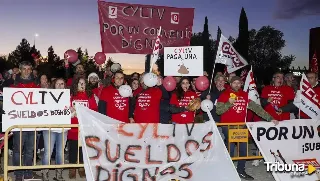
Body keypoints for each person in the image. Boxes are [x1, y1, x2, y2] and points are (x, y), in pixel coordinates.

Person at [216, 76, 278, 180]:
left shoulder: (244, 95)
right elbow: (218, 111)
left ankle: (241, 171)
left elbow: (257, 108)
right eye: (234, 83)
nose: (236, 84)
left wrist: (270, 118)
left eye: (238, 83)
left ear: (241, 84)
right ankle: (228, 172)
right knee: (230, 150)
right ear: (230, 84)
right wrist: (228, 103)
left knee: (243, 151)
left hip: (241, 127)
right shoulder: (224, 94)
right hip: (228, 127)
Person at [11, 61, 42, 181]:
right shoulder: (14, 86)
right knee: (18, 150)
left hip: (32, 123)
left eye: (29, 69)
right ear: (20, 70)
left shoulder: (36, 86)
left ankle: (28, 173)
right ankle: (18, 174)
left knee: (30, 149)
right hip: (19, 124)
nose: (27, 71)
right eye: (24, 69)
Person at [68, 77, 97, 179]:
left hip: (85, 128)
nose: (82, 85)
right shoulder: (71, 96)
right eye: (80, 83)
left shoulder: (90, 95)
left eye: (84, 83)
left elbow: (94, 109)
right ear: (76, 85)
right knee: (73, 149)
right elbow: (66, 108)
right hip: (73, 127)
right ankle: (72, 168)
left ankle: (81, 168)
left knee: (83, 149)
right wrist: (70, 110)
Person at [41, 78, 68, 181]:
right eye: (58, 84)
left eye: (62, 84)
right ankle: (44, 173)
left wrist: (72, 110)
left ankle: (59, 174)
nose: (60, 86)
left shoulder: (68, 97)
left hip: (63, 129)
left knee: (60, 152)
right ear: (54, 85)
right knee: (48, 152)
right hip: (49, 128)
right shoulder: (47, 96)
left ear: (65, 85)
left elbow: (71, 113)